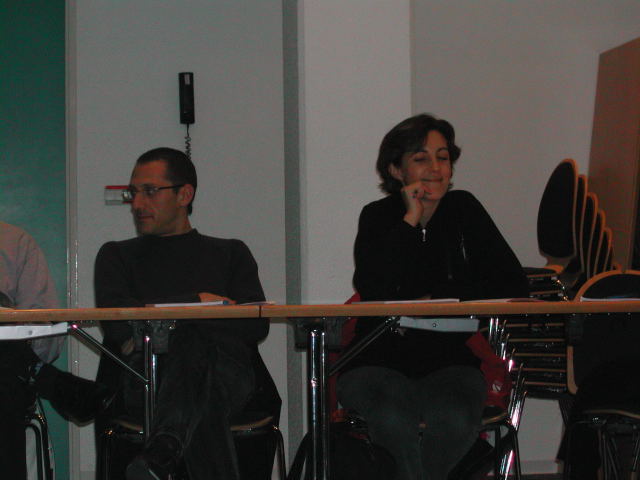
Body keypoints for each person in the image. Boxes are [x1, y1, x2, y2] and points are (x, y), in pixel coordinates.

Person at [337, 114, 529, 480]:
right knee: (393, 418)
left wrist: (440, 296)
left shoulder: (464, 210)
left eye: (443, 157)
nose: (436, 168)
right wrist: (410, 220)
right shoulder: (377, 216)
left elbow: (513, 284)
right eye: (421, 158)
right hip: (379, 358)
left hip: (449, 359)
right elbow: (374, 288)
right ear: (396, 170)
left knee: (455, 419)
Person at [94, 147, 280, 480]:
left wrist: (168, 318)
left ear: (185, 194)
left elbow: (255, 326)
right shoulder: (116, 256)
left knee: (195, 350)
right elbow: (118, 327)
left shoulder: (231, 253)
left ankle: (165, 445)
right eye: (134, 192)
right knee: (203, 392)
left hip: (228, 375)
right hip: (148, 377)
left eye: (150, 191)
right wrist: (198, 303)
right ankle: (163, 451)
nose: (137, 204)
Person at [0, 221, 111, 479]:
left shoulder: (14, 243)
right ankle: (38, 373)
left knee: (6, 388)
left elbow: (46, 337)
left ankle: (33, 370)